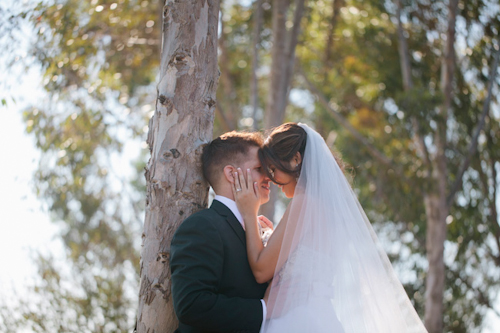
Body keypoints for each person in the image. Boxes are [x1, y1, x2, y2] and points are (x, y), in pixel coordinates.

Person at [232, 122, 428, 333]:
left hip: (297, 320)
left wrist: (249, 213)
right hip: (319, 315)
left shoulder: (305, 202)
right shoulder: (328, 208)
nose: (272, 179)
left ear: (296, 159)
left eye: (273, 169)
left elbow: (261, 270)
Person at [170, 131, 274, 333]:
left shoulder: (261, 229)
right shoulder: (202, 226)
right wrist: (264, 310)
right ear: (231, 174)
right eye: (259, 168)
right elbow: (192, 304)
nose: (269, 176)